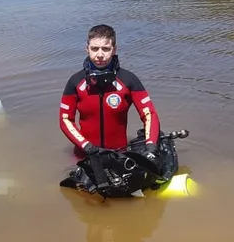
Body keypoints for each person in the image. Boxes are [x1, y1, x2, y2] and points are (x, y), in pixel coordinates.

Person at [58, 24, 176, 197]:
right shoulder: (75, 82)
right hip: (84, 157)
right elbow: (65, 119)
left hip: (119, 155)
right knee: (85, 200)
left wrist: (151, 148)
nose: (99, 55)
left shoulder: (128, 80)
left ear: (114, 49)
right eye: (94, 48)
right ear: (87, 49)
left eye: (106, 48)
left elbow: (149, 114)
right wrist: (87, 147)